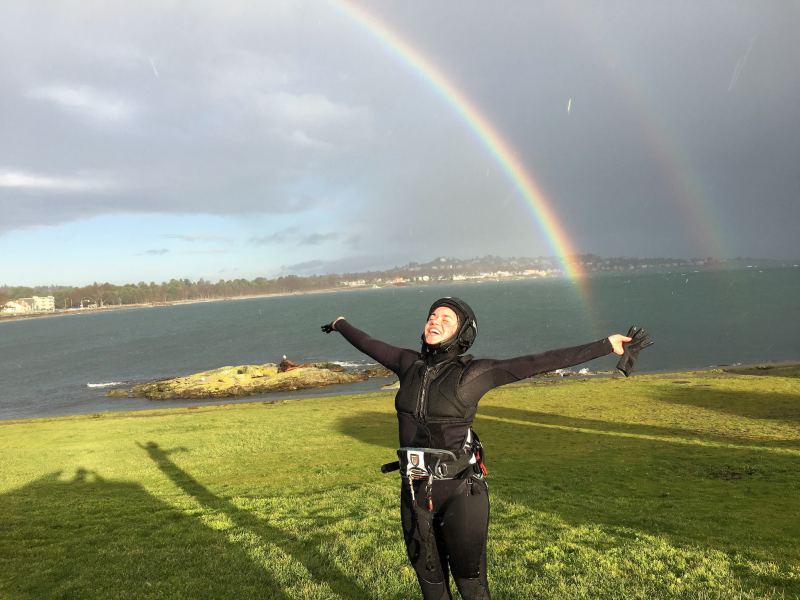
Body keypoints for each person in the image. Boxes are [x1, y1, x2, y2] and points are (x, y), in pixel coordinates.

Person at [322, 297, 650, 600]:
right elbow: (368, 343)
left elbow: (538, 361)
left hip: (461, 492)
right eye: (432, 315)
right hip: (414, 489)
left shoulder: (473, 374)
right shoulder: (408, 364)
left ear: (462, 333)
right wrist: (340, 323)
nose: (434, 321)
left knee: (471, 584)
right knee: (431, 585)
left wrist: (606, 345)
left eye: (446, 319)